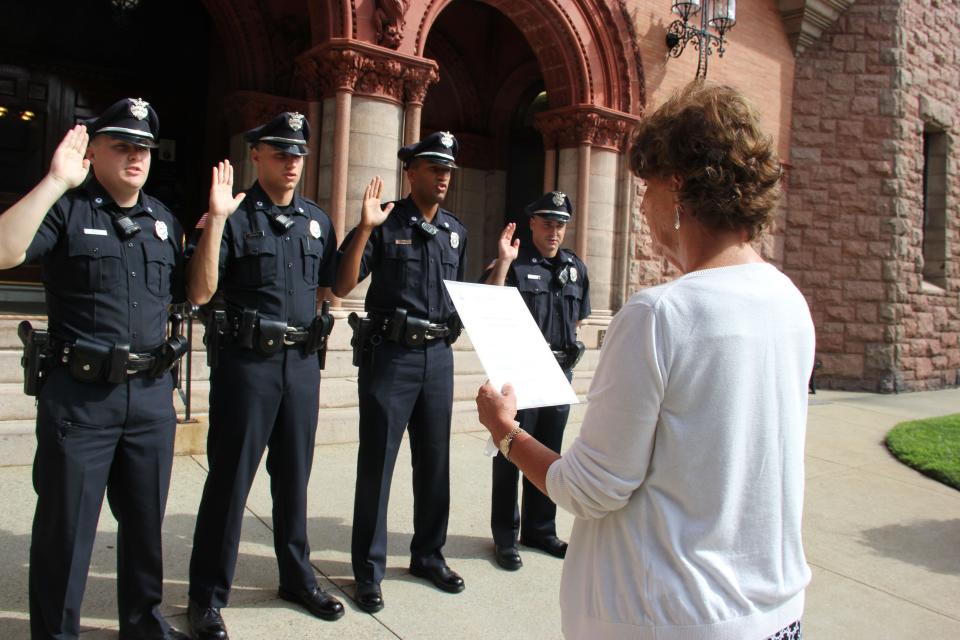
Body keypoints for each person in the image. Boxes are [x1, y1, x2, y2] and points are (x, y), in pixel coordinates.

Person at [476, 82, 813, 640]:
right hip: (772, 609)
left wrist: (505, 432)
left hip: (670, 613)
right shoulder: (789, 301)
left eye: (649, 185)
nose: (645, 203)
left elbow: (590, 489)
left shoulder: (660, 314)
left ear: (677, 186)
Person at [0, 99, 189, 639]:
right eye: (122, 146)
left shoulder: (162, 221)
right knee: (67, 531)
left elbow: (191, 292)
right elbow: (5, 250)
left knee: (144, 526)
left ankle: (143, 623)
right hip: (81, 399)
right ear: (94, 151)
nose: (135, 157)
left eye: (144, 148)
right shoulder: (68, 208)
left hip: (151, 396)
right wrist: (56, 181)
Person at [185, 112, 343, 640]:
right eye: (280, 153)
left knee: (294, 477)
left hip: (301, 365)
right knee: (231, 481)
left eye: (298, 153)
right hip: (247, 366)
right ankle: (207, 596)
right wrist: (216, 218)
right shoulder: (232, 215)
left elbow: (330, 285)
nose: (292, 162)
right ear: (256, 156)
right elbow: (201, 292)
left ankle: (296, 578)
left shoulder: (317, 221)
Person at [333, 131, 468, 613]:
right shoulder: (386, 222)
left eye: (448, 168)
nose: (443, 175)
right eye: (434, 167)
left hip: (438, 358)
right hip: (391, 358)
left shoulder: (455, 232)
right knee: (378, 465)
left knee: (434, 463)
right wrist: (365, 229)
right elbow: (341, 284)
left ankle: (429, 555)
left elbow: (461, 298)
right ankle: (367, 572)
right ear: (410, 172)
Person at [482, 192, 590, 571]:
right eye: (547, 223)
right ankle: (505, 536)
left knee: (548, 453)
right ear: (532, 224)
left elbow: (579, 318)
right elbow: (488, 304)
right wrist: (503, 264)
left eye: (560, 225)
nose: (554, 231)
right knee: (511, 452)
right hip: (520, 374)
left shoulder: (575, 268)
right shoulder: (514, 262)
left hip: (559, 373)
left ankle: (540, 530)